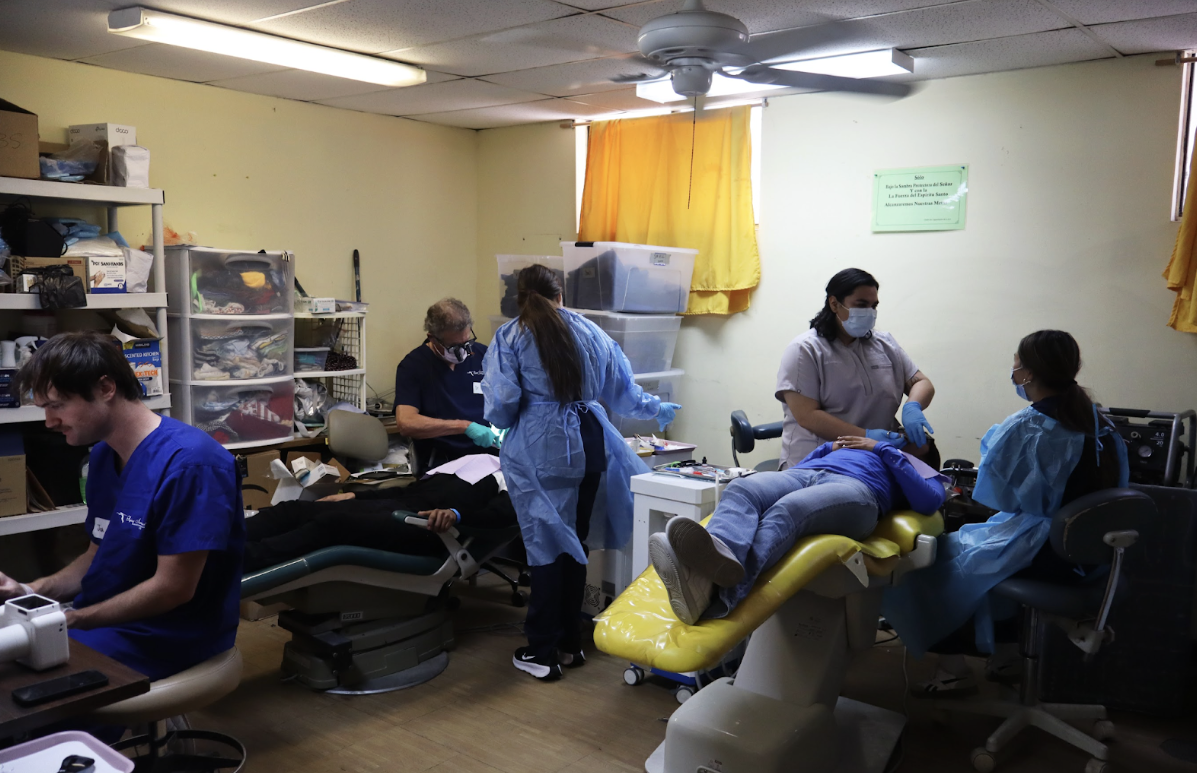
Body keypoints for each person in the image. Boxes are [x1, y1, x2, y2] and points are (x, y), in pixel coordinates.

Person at [882, 330, 1129, 694]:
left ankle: (953, 670)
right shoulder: (1100, 423)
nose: (1013, 374)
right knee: (977, 551)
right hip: (1092, 555)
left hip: (1048, 551)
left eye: (1015, 367)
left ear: (1027, 374)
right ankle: (1008, 658)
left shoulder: (1030, 427)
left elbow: (998, 497)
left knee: (929, 560)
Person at [0, 332, 244, 681]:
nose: (49, 423)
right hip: (106, 620)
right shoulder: (102, 455)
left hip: (167, 635)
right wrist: (29, 592)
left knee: (27, 691)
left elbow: (173, 588)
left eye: (57, 405)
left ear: (105, 389)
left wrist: (73, 619)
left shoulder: (192, 465)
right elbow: (97, 555)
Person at [483, 264, 681, 681]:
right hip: (590, 441)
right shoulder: (591, 332)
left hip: (541, 447)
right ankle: (570, 642)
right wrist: (657, 410)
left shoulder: (511, 337)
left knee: (545, 547)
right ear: (561, 295)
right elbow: (624, 391)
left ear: (519, 298)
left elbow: (500, 406)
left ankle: (540, 650)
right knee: (575, 542)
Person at [649, 436, 945, 625]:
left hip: (857, 493)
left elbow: (930, 499)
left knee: (788, 511)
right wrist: (829, 447)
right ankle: (716, 561)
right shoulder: (861, 442)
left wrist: (885, 450)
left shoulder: (918, 467)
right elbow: (802, 467)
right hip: (805, 474)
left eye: (917, 440)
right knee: (742, 488)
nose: (904, 436)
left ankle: (720, 595)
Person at [776, 268, 936, 469]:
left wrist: (913, 406)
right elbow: (807, 416)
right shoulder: (805, 350)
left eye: (874, 305)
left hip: (874, 459)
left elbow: (921, 382)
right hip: (818, 462)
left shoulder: (884, 344)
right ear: (834, 304)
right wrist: (867, 437)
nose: (870, 312)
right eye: (861, 305)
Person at [243, 457, 516, 572]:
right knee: (296, 508)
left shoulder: (514, 480)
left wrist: (455, 515)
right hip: (393, 506)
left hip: (426, 527)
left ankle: (236, 562)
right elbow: (408, 491)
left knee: (332, 523)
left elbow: (500, 517)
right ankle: (219, 543)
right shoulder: (474, 460)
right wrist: (355, 495)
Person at [394, 298, 499, 473]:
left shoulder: (482, 355)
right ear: (432, 338)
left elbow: (506, 397)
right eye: (454, 347)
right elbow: (406, 423)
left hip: (489, 455)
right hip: (444, 463)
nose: (463, 352)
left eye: (466, 343)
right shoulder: (414, 365)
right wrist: (464, 427)